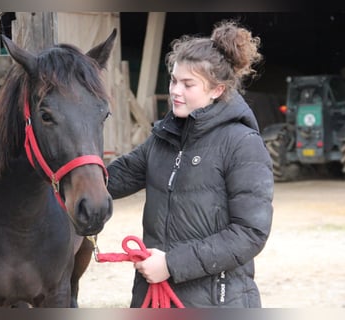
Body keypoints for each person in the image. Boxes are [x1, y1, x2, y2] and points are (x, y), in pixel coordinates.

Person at [106, 19, 274, 308]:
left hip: (217, 301)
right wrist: (60, 176)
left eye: (188, 84)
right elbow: (114, 178)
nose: (175, 91)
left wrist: (171, 264)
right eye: (173, 80)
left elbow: (250, 233)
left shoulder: (242, 143)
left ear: (217, 90)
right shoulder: (163, 138)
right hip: (153, 297)